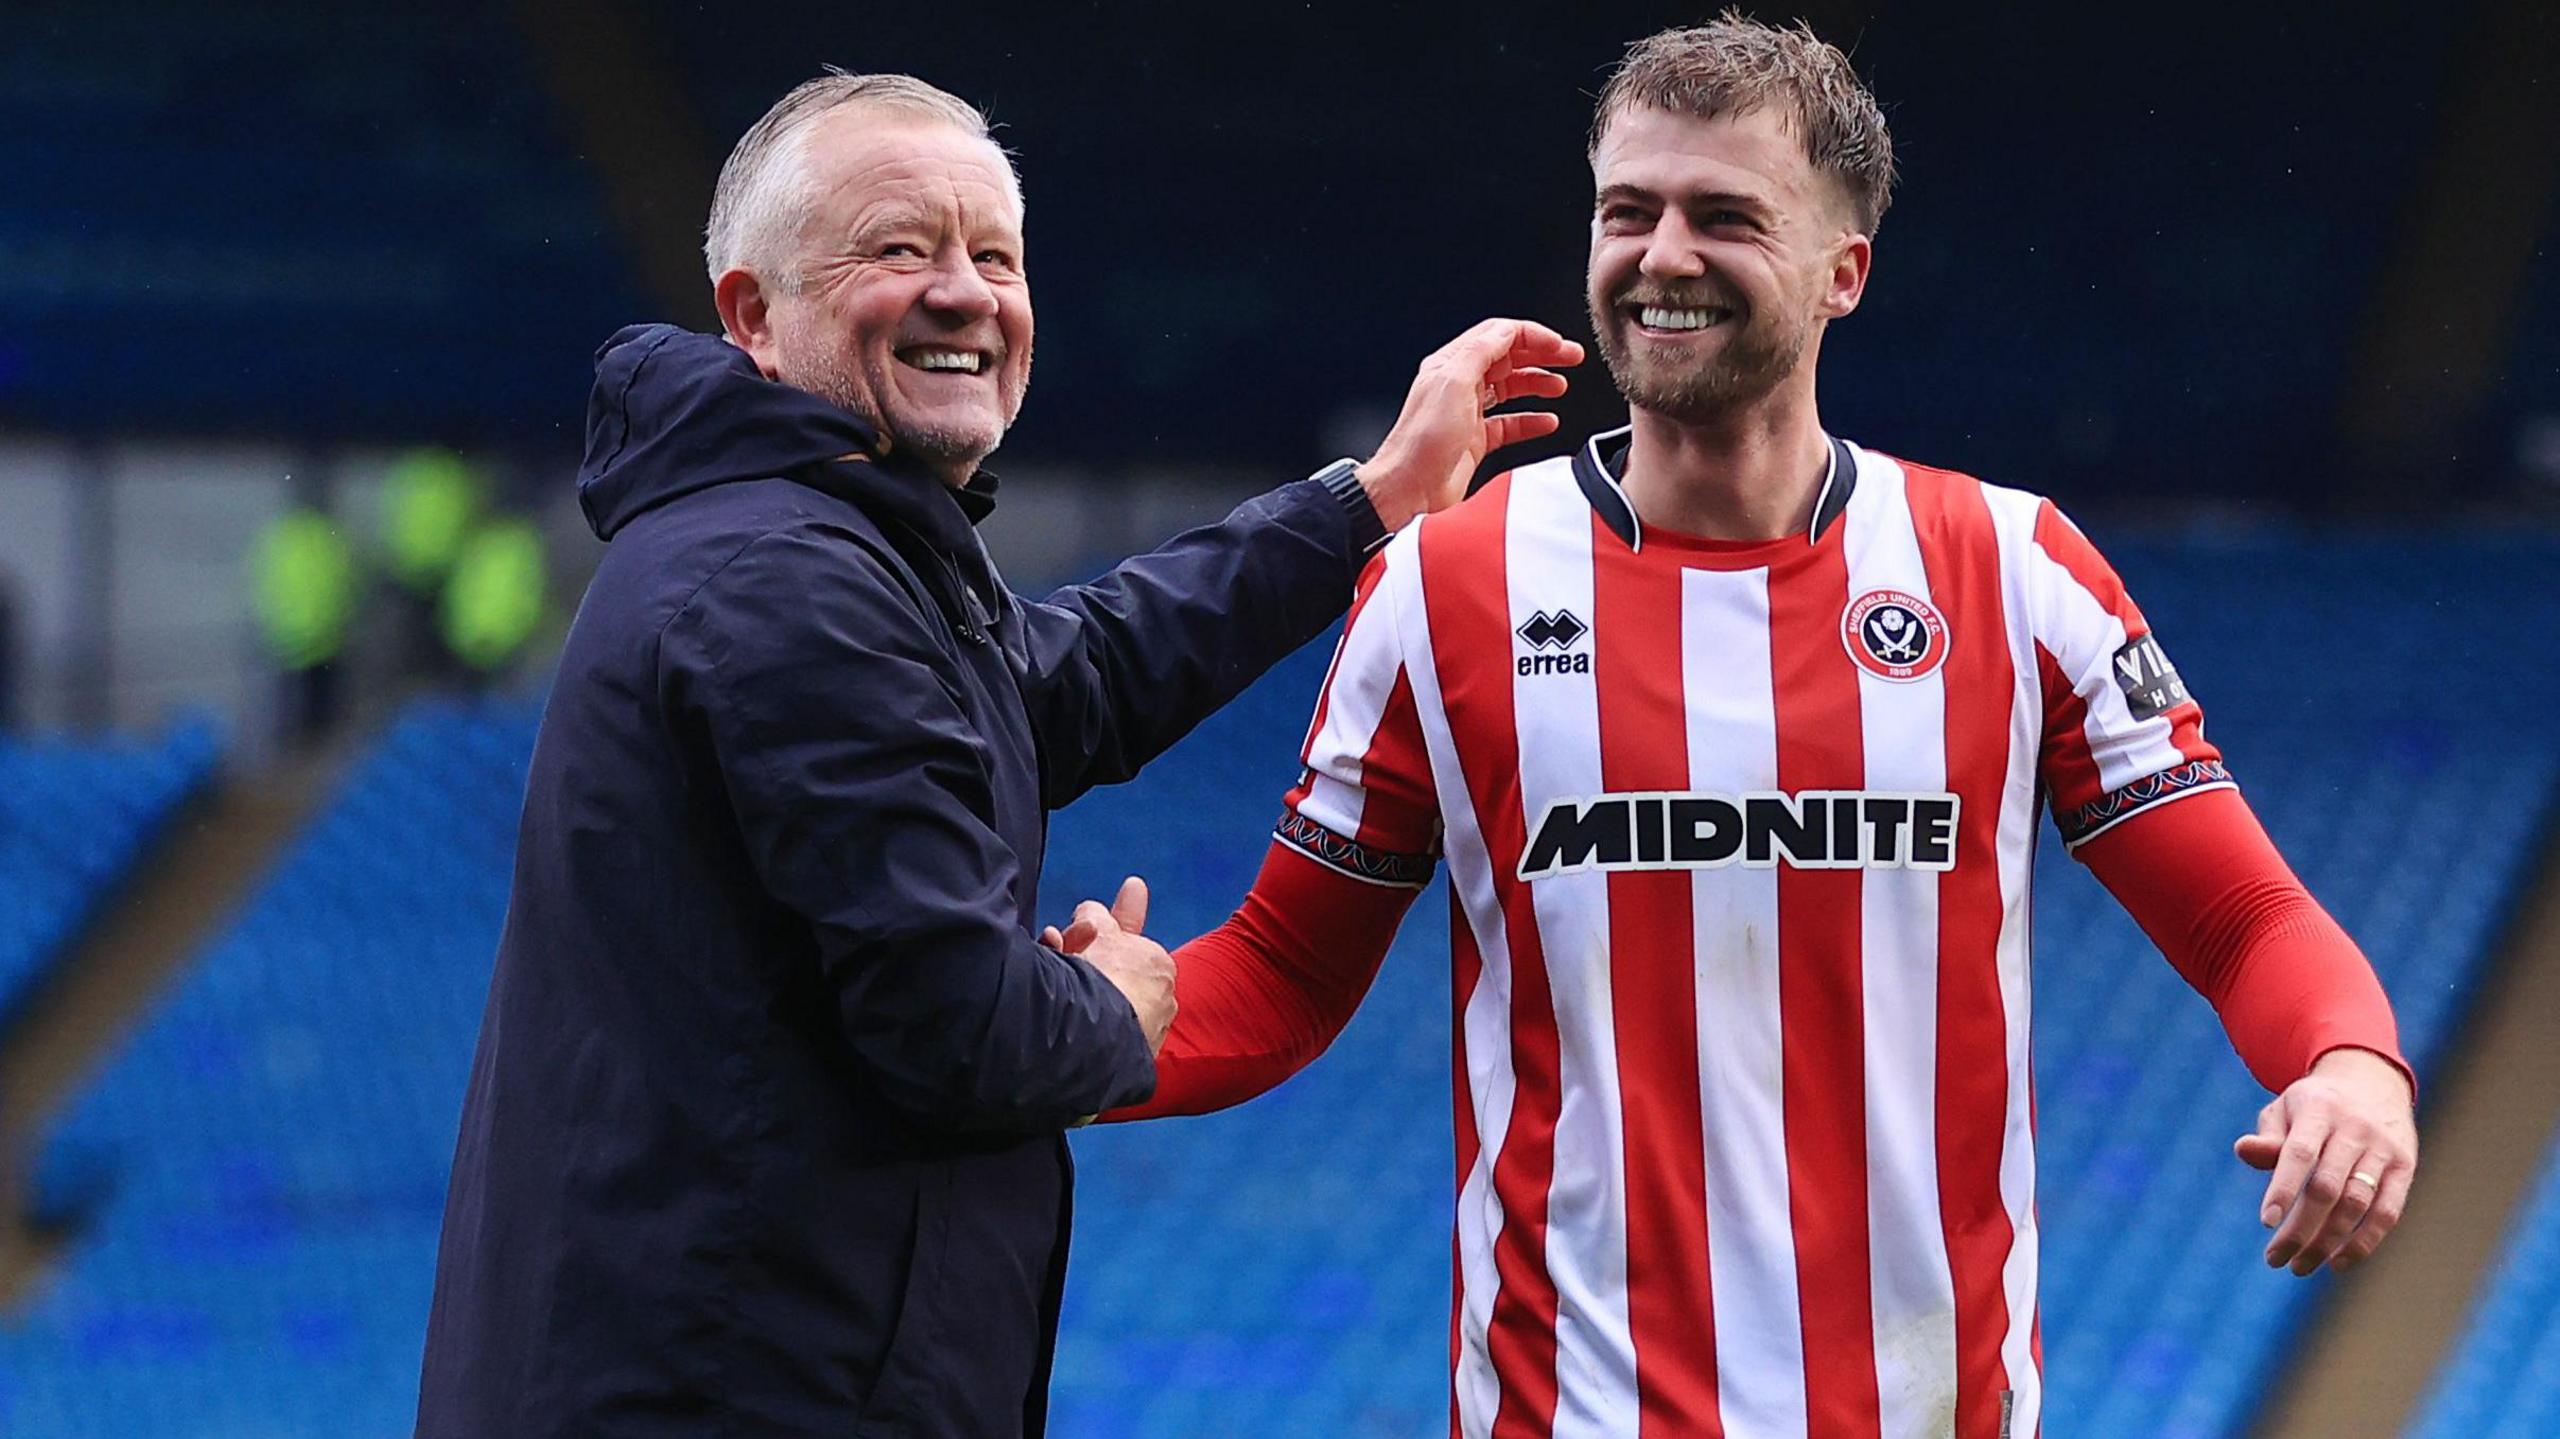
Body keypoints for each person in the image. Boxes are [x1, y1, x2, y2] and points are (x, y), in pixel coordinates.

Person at [1094, 18, 2419, 1438]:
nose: (1663, 256)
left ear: (1843, 272)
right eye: (1629, 212)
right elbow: (1291, 967)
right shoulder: (1444, 587)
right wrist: (1081, 1032)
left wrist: (2350, 1064)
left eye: (1724, 217)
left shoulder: (2014, 571)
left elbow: (2243, 917)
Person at [412, 72, 1579, 1438]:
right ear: (751, 315)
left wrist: (1366, 502)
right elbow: (964, 1029)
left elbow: (1067, 677)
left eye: (995, 257)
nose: (964, 293)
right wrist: (1117, 1004)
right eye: (898, 249)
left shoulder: (817, 546)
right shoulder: (787, 580)